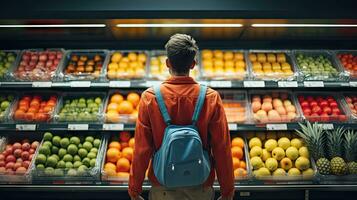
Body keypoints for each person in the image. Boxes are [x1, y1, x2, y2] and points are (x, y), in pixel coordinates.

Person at [129, 33, 234, 200]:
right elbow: (222, 148)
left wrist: (134, 189)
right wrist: (227, 190)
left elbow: (141, 149)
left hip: (163, 185)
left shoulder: (150, 97)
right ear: (193, 64)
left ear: (167, 63)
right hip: (200, 184)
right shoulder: (210, 97)